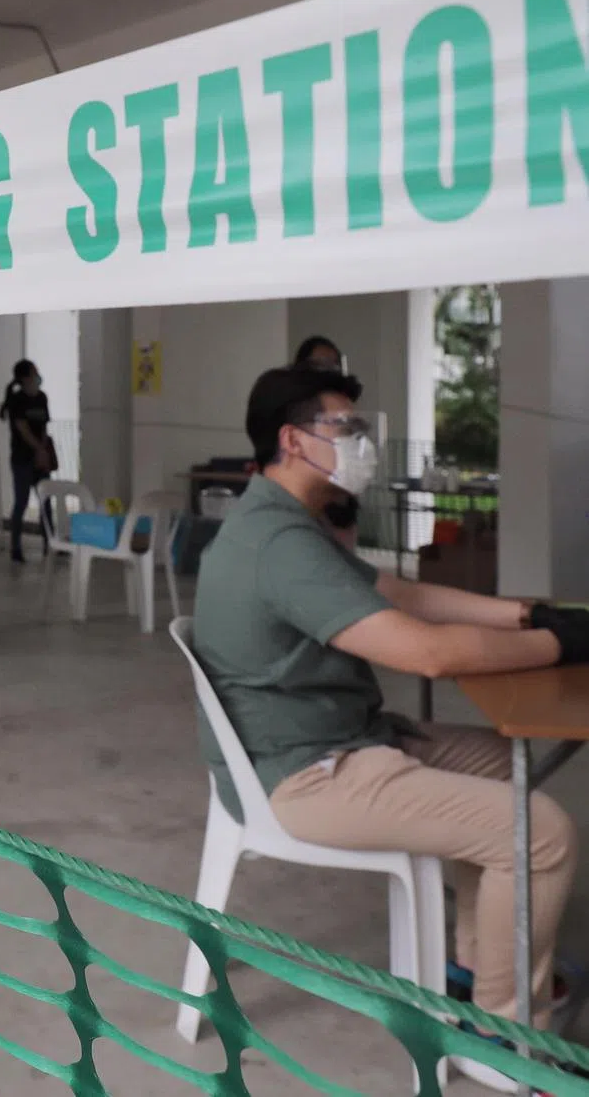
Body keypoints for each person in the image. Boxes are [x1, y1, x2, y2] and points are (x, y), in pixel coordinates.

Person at [193, 366, 589, 1091]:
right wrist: (560, 646)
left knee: (508, 768)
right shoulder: (278, 546)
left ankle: (476, 964)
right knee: (542, 829)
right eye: (346, 429)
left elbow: (400, 593)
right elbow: (426, 652)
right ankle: (502, 1040)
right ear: (294, 440)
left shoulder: (289, 525)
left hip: (348, 739)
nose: (363, 443)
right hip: (310, 774)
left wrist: (529, 616)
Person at [291, 336, 359, 546]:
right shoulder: (293, 409)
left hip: (338, 504)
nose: (327, 371)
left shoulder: (343, 404)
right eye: (319, 365)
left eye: (333, 365)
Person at [0, 359, 54, 564]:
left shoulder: (42, 398)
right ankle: (15, 547)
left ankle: (51, 543)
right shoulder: (17, 400)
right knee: (21, 502)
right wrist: (39, 449)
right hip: (22, 459)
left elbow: (43, 428)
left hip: (40, 459)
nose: (38, 376)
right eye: (34, 372)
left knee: (46, 502)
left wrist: (44, 450)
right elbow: (22, 429)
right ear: (24, 378)